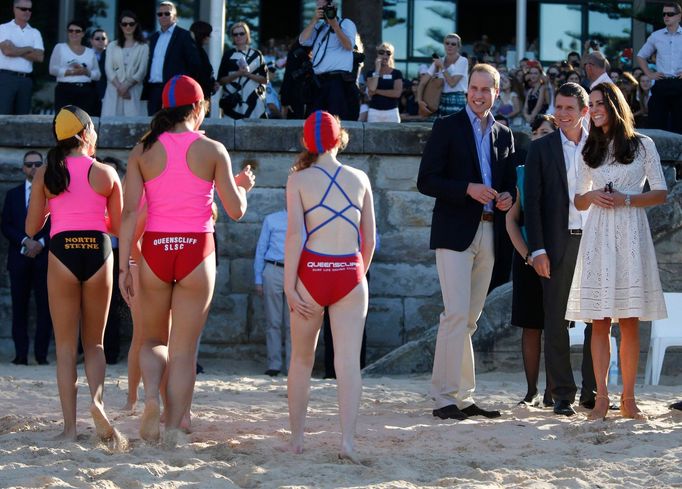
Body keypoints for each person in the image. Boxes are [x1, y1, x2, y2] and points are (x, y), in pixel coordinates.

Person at [118, 75, 255, 443]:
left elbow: (129, 213)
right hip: (197, 250)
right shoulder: (212, 149)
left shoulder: (143, 150)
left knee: (150, 341)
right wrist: (244, 188)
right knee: (183, 351)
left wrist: (122, 266)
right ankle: (175, 428)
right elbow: (235, 210)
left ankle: (150, 398)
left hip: (156, 249)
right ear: (198, 108)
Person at [417, 64, 516, 421]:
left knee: (470, 320)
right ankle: (443, 397)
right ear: (466, 90)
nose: (478, 94)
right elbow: (426, 180)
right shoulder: (446, 127)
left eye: (485, 89)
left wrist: (507, 195)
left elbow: (510, 183)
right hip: (455, 232)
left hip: (491, 231)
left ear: (496, 92)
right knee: (456, 315)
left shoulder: (505, 134)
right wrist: (466, 189)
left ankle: (463, 396)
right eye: (473, 88)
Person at [566, 82, 668, 420]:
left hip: (631, 233)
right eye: (590, 104)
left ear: (614, 104)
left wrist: (626, 199)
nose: (592, 110)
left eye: (598, 103)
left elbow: (660, 193)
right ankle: (600, 399)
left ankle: (628, 399)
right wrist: (594, 197)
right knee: (599, 321)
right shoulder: (588, 149)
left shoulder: (643, 145)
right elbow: (578, 199)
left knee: (629, 321)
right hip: (597, 235)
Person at [25, 105, 123, 442]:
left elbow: (31, 227)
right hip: (98, 249)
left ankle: (69, 429)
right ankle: (97, 402)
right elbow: (119, 226)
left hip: (62, 250)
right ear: (84, 134)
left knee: (66, 347)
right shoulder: (106, 173)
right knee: (95, 343)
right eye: (93, 128)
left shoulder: (46, 174)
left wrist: (56, 205)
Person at [284, 110, 375, 462]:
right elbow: (369, 240)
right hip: (349, 273)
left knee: (301, 360)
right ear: (340, 138)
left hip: (312, 271)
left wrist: (290, 286)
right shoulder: (359, 178)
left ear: (307, 142)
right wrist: (356, 275)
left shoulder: (299, 180)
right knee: (348, 362)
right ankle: (348, 442)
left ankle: (296, 440)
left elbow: (295, 235)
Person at [524, 82, 597, 417]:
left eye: (570, 108)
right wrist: (536, 249)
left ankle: (591, 391)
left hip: (597, 240)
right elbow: (533, 204)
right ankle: (562, 394)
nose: (563, 114)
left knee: (598, 317)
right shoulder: (540, 149)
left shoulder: (602, 146)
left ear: (584, 111)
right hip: (556, 243)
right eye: (559, 108)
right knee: (556, 319)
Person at [506, 114, 557, 407]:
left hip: (557, 259)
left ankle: (554, 391)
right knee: (530, 325)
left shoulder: (567, 170)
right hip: (526, 259)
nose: (540, 137)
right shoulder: (521, 172)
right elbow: (511, 220)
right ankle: (531, 391)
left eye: (546, 132)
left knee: (555, 326)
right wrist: (526, 254)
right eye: (536, 132)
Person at [1, 150, 52, 365]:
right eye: (29, 164)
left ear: (43, 167)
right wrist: (25, 241)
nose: (33, 168)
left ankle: (41, 355)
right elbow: (6, 225)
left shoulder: (51, 193)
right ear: (23, 168)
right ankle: (20, 355)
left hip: (43, 259)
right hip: (19, 258)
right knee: (19, 307)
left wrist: (40, 244)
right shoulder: (13, 194)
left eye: (37, 164)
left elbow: (57, 223)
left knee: (45, 308)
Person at [298, 0, 358, 120]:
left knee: (336, 120)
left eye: (323, 7)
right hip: (318, 82)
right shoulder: (320, 27)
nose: (321, 10)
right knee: (315, 120)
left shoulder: (345, 23)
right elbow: (302, 40)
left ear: (332, 7)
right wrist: (314, 20)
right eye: (318, 7)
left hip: (337, 82)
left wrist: (335, 26)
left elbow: (349, 46)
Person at [143, 1, 201, 116]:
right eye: (160, 14)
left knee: (172, 124)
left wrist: (183, 86)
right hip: (154, 89)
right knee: (153, 125)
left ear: (174, 16)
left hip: (173, 89)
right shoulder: (154, 37)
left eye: (167, 13)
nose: (163, 16)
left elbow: (194, 64)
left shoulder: (184, 35)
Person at [254, 207, 290, 377]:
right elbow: (261, 248)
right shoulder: (272, 219)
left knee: (294, 324)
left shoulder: (308, 218)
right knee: (273, 321)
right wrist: (258, 279)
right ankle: (274, 364)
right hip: (274, 268)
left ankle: (293, 365)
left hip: (297, 271)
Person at [636, 1, 682, 134]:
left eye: (670, 14)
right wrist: (649, 74)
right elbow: (641, 56)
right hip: (662, 82)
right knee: (656, 123)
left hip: (679, 84)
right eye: (664, 14)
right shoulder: (656, 36)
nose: (666, 17)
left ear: (679, 16)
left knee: (680, 124)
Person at [101, 10, 149, 117]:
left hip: (133, 91)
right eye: (124, 24)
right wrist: (120, 87)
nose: (128, 26)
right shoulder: (112, 46)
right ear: (120, 26)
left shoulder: (143, 47)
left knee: (133, 127)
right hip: (114, 90)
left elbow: (141, 71)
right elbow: (110, 68)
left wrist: (126, 86)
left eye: (131, 24)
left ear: (136, 25)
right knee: (110, 126)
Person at [0, 0, 44, 115]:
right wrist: (29, 48)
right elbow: (7, 51)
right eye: (23, 9)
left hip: (25, 80)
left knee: (22, 117)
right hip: (6, 78)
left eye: (30, 9)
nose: (27, 12)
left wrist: (16, 49)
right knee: (3, 116)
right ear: (14, 9)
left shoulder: (35, 32)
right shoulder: (3, 28)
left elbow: (39, 57)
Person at [49, 20, 101, 114]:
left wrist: (86, 72)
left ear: (83, 33)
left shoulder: (90, 52)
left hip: (85, 91)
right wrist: (72, 72)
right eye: (71, 31)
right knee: (64, 122)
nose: (74, 33)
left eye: (77, 31)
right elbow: (52, 69)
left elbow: (97, 75)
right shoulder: (60, 47)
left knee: (83, 124)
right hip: (64, 90)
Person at [217, 22, 267, 119]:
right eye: (235, 34)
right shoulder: (228, 55)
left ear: (247, 35)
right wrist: (238, 74)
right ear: (232, 37)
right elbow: (221, 80)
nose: (238, 36)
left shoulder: (257, 54)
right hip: (233, 103)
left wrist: (248, 75)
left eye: (241, 33)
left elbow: (265, 79)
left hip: (254, 103)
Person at [417, 33, 468, 117]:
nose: (449, 46)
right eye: (447, 43)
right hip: (440, 99)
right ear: (444, 45)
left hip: (457, 99)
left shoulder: (463, 61)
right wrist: (419, 101)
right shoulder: (439, 61)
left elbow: (452, 83)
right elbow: (422, 83)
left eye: (453, 44)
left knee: (456, 129)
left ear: (458, 47)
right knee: (441, 129)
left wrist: (442, 66)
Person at [365, 42, 402, 123]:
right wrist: (377, 70)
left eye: (388, 53)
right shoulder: (371, 73)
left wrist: (377, 91)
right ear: (377, 54)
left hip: (392, 111)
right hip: (374, 111)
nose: (385, 55)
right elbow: (371, 89)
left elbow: (397, 93)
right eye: (381, 52)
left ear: (391, 56)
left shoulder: (396, 73)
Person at [189, 21, 217, 102]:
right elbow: (200, 73)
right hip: (196, 96)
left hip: (200, 94)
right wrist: (211, 85)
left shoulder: (199, 50)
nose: (209, 37)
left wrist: (212, 83)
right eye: (208, 34)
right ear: (202, 35)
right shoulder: (194, 51)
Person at [90, 29, 108, 116]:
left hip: (106, 93)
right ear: (91, 41)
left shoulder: (111, 55)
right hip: (89, 92)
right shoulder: (86, 54)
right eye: (97, 39)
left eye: (103, 38)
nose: (101, 41)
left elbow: (117, 69)